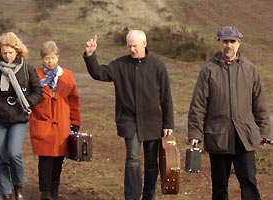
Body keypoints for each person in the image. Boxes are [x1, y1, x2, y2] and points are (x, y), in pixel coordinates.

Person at [83, 30, 174, 200]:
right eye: (129, 46)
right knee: (132, 159)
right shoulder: (119, 65)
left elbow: (166, 97)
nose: (132, 49)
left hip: (153, 123)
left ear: (145, 44)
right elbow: (99, 73)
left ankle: (149, 196)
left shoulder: (158, 66)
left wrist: (168, 123)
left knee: (152, 164)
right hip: (129, 122)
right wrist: (90, 55)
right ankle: (131, 197)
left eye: (135, 46)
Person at [188, 26, 271, 200]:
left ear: (239, 43)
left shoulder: (250, 69)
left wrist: (264, 131)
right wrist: (195, 133)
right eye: (225, 41)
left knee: (249, 183)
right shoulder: (208, 70)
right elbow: (198, 105)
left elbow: (260, 104)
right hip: (218, 136)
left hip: (245, 137)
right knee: (219, 187)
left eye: (232, 41)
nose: (228, 45)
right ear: (219, 42)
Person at [0, 32, 43, 200]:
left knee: (14, 153)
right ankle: (5, 192)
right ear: (0, 52)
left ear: (18, 51)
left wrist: (28, 103)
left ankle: (18, 185)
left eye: (10, 53)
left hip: (18, 118)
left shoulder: (27, 69)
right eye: (4, 53)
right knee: (1, 157)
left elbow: (38, 92)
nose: (7, 56)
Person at [29, 41, 81, 200]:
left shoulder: (67, 75)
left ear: (57, 57)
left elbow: (74, 99)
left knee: (58, 158)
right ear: (42, 58)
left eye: (52, 58)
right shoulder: (35, 74)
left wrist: (76, 121)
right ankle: (45, 192)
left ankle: (54, 189)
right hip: (42, 120)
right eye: (46, 58)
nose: (50, 62)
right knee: (44, 157)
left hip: (62, 122)